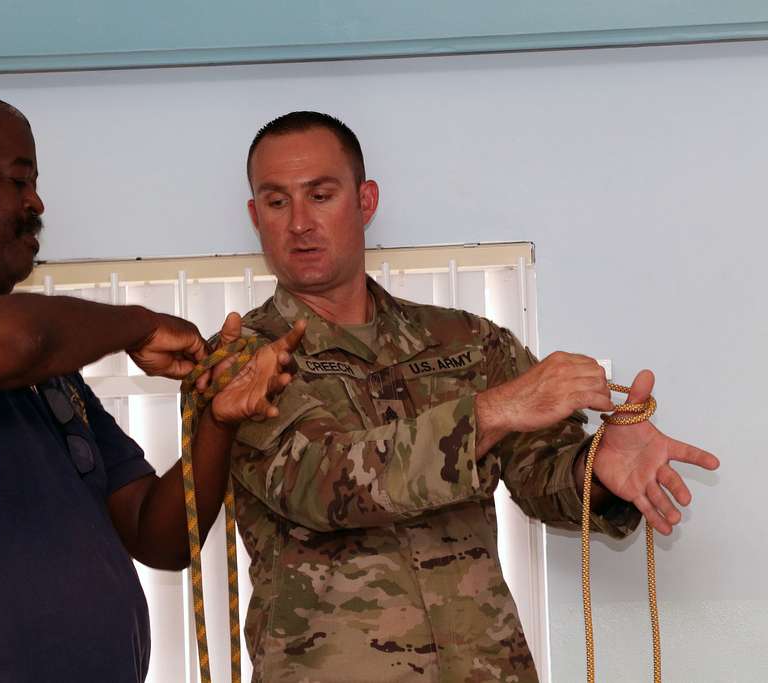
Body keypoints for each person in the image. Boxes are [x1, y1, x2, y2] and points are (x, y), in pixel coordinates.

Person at [0, 91, 303, 683]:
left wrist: (219, 423)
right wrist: (137, 324)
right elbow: (19, 341)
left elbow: (161, 537)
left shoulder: (42, 370)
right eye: (18, 180)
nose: (37, 201)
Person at [228, 111, 720, 682]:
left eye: (320, 194)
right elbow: (322, 482)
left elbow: (544, 480)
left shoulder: (469, 343)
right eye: (277, 202)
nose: (300, 223)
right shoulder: (241, 363)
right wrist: (498, 410)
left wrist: (598, 468)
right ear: (255, 216)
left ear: (364, 202)